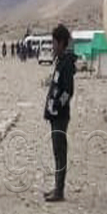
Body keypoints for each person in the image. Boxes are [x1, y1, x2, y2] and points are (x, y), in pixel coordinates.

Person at [42, 23, 74, 202]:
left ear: (62, 43)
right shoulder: (61, 62)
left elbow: (68, 91)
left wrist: (56, 107)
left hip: (60, 116)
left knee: (60, 152)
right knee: (56, 152)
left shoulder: (67, 64)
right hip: (55, 116)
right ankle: (57, 187)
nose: (52, 46)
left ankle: (59, 191)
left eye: (54, 43)